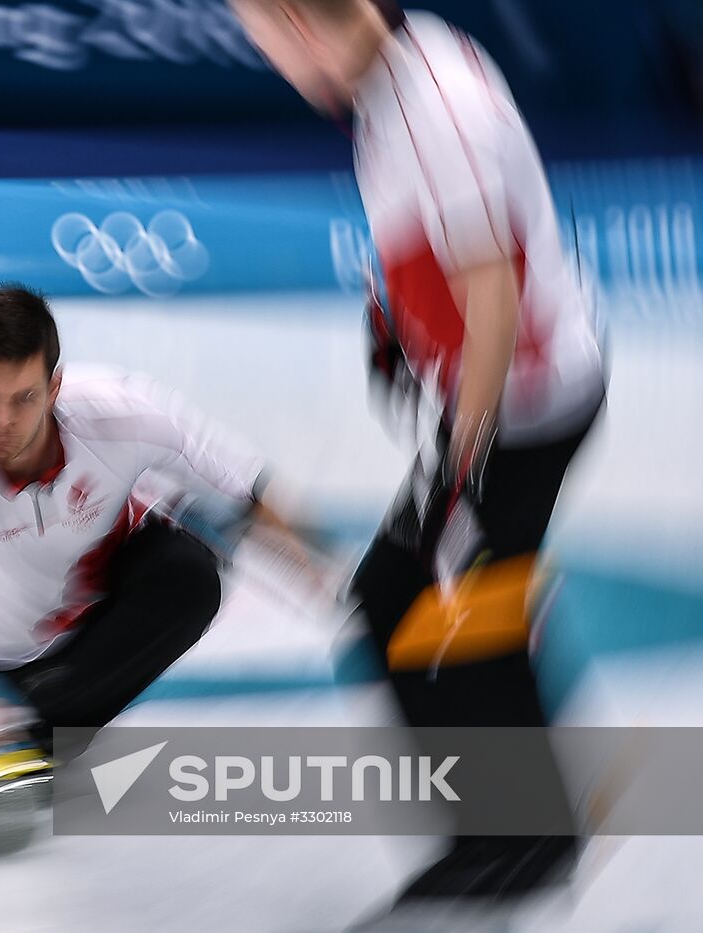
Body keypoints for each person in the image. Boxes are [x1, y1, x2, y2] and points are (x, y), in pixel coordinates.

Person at [226, 0, 607, 905]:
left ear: (300, 25)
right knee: (402, 599)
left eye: (262, 38)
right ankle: (500, 832)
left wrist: (463, 471)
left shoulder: (437, 109)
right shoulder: (388, 72)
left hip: (521, 410)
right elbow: (432, 233)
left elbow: (495, 298)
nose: (269, 60)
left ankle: (525, 843)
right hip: (490, 403)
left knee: (444, 617)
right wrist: (393, 323)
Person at [0, 283, 297, 760]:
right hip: (3, 660)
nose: (3, 420)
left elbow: (247, 484)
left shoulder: (119, 412)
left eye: (24, 397)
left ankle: (35, 728)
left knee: (192, 576)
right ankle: (30, 719)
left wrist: (326, 573)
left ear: (54, 388)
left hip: (103, 616)